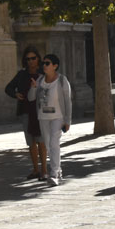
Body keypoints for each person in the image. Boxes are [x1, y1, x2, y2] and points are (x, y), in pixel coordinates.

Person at [28, 54, 72, 186]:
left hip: (58, 117)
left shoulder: (62, 81)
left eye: (47, 63)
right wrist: (33, 87)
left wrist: (68, 120)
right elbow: (31, 98)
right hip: (43, 117)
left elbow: (68, 101)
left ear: (55, 66)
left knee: (54, 143)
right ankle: (57, 170)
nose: (44, 66)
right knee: (48, 145)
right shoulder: (40, 80)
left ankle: (54, 173)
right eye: (44, 63)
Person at [5, 46, 47, 180]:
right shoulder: (21, 74)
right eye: (28, 59)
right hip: (25, 111)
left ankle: (44, 170)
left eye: (33, 58)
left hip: (40, 111)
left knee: (41, 141)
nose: (31, 61)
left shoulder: (44, 74)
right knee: (31, 142)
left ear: (38, 59)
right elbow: (8, 88)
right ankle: (35, 169)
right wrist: (15, 94)